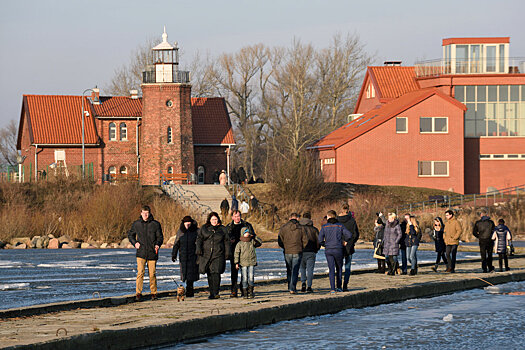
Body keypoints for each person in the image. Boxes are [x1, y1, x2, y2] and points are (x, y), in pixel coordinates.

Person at [128, 205, 164, 301]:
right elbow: (130, 235)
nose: (145, 215)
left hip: (152, 252)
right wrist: (135, 243)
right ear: (141, 213)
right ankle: (138, 293)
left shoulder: (155, 224)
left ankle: (153, 293)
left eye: (147, 213)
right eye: (144, 213)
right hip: (141, 253)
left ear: (149, 213)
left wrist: (157, 244)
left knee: (152, 274)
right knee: (140, 273)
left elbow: (160, 237)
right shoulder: (136, 224)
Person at [196, 212, 230, 299]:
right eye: (212, 219)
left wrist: (227, 252)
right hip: (206, 254)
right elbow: (199, 239)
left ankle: (216, 292)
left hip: (218, 254)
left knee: (216, 273)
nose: (214, 221)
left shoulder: (222, 229)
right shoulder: (204, 228)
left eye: (216, 219)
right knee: (210, 273)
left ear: (218, 219)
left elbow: (226, 241)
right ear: (209, 220)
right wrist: (198, 249)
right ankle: (211, 292)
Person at [318, 210, 352, 293]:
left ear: (328, 217)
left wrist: (325, 244)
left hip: (329, 249)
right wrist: (345, 241)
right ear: (335, 216)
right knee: (339, 268)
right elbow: (349, 235)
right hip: (338, 249)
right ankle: (339, 287)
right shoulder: (340, 226)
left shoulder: (324, 227)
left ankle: (332, 288)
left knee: (331, 269)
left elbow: (320, 240)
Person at [225, 210, 256, 297]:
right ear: (232, 217)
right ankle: (234, 290)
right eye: (235, 216)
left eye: (238, 216)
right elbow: (226, 239)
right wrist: (230, 241)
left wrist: (249, 236)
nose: (237, 218)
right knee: (234, 273)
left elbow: (253, 236)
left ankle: (244, 290)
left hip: (246, 252)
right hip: (234, 252)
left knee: (245, 273)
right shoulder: (229, 227)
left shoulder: (246, 225)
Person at [278, 213, 308, 294]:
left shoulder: (283, 228)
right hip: (297, 251)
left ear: (290, 218)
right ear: (297, 218)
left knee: (289, 269)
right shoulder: (301, 228)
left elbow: (280, 240)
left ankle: (289, 286)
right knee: (295, 270)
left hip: (287, 251)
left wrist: (284, 247)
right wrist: (301, 248)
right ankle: (293, 287)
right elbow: (305, 240)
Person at [171, 216, 199, 297]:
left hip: (193, 255)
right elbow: (176, 243)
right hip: (183, 255)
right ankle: (187, 289)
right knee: (185, 273)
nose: (187, 225)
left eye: (189, 223)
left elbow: (199, 242)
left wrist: (199, 252)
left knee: (191, 274)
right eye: (186, 223)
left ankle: (190, 290)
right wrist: (174, 254)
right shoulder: (180, 231)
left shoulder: (196, 231)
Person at [234, 227, 262, 298]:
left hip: (251, 262)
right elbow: (236, 253)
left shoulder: (252, 241)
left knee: (251, 277)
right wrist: (236, 263)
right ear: (242, 234)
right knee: (244, 278)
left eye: (248, 232)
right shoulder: (240, 243)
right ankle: (245, 292)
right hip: (243, 263)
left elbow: (259, 243)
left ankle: (251, 292)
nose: (247, 234)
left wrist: (255, 237)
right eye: (245, 232)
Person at [337, 204, 360, 291]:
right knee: (347, 266)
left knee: (338, 266)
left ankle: (338, 285)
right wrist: (350, 242)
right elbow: (356, 234)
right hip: (349, 246)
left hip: (338, 245)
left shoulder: (337, 221)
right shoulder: (352, 220)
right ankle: (345, 285)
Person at [299, 212, 320, 293]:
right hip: (311, 251)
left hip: (301, 251)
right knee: (310, 269)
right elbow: (318, 241)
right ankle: (309, 286)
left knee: (302, 268)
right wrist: (316, 249)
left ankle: (303, 283)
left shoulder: (299, 228)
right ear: (310, 218)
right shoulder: (314, 229)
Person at [472, 209, 496, 273]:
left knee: (483, 255)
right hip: (490, 240)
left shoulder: (478, 223)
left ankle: (484, 268)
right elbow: (494, 231)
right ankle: (490, 267)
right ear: (487, 215)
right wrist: (492, 237)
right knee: (490, 254)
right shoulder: (491, 222)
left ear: (481, 215)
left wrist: (479, 236)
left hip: (482, 240)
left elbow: (474, 232)